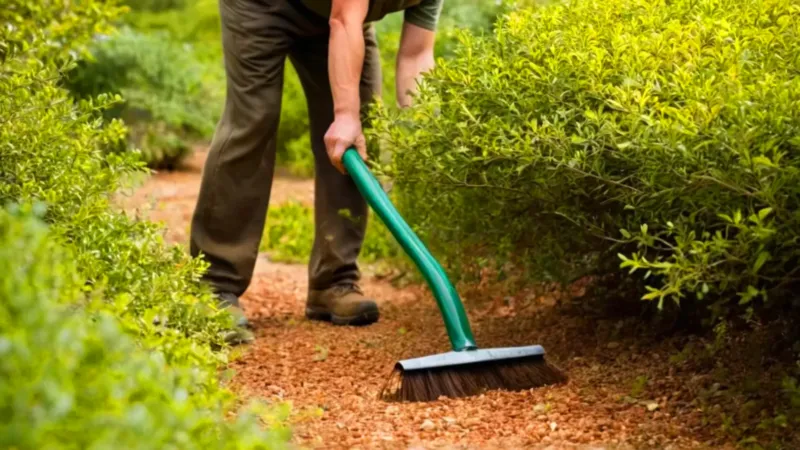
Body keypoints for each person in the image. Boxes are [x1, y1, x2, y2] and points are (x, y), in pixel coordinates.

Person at [189, 0, 444, 344]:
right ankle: (213, 286)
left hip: (336, 15)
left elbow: (416, 55)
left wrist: (428, 134)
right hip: (260, 6)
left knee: (363, 128)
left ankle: (334, 279)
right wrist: (345, 116)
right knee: (254, 120)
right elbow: (344, 20)